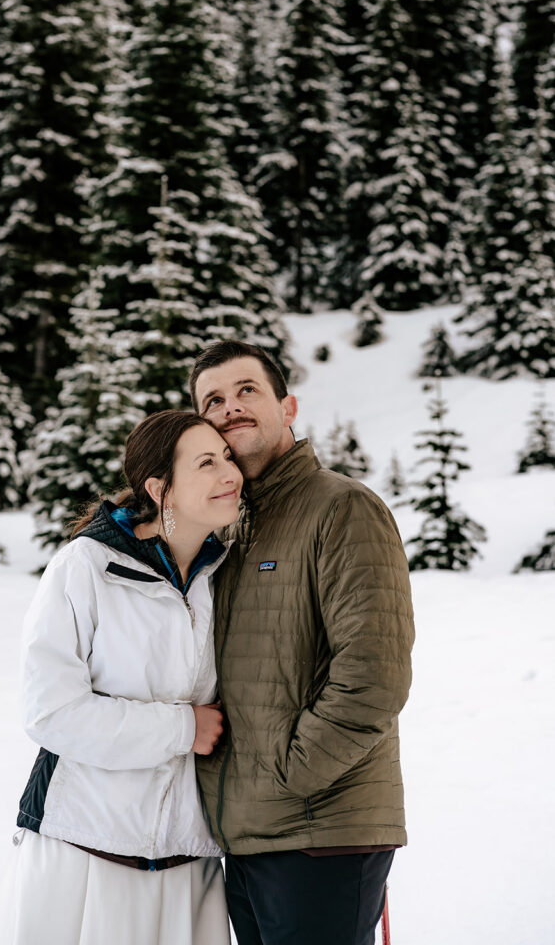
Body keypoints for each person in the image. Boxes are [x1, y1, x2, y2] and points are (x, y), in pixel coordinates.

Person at [0, 410, 243, 945]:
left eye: (229, 458)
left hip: (187, 863)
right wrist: (180, 729)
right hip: (87, 856)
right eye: (207, 462)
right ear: (159, 488)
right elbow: (51, 712)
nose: (230, 473)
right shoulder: (86, 567)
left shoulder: (226, 575)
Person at [190, 341, 415, 945]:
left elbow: (374, 675)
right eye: (213, 400)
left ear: (288, 407)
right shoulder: (224, 532)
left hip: (321, 833)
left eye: (246, 391)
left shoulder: (342, 508)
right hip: (246, 834)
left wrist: (290, 775)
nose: (230, 407)